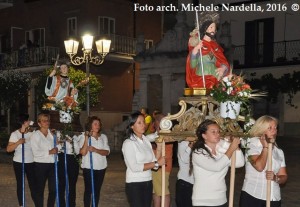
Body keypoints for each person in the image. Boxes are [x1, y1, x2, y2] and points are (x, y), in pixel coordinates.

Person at [190, 119, 244, 207]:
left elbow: (239, 163)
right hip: (203, 200)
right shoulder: (198, 152)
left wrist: (234, 146)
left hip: (221, 198)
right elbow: (216, 167)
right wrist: (231, 148)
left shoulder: (221, 149)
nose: (218, 134)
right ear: (204, 135)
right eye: (213, 132)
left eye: (218, 131)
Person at [239, 115, 288, 207]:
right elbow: (259, 166)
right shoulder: (251, 145)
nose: (274, 131)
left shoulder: (279, 151)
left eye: (275, 128)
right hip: (253, 196)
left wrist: (276, 178)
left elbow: (284, 176)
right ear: (261, 130)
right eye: (270, 128)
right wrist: (265, 147)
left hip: (274, 197)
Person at [122, 111, 165, 207]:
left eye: (143, 122)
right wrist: (157, 163)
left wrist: (158, 149)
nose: (143, 125)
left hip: (148, 182)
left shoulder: (145, 140)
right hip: (135, 184)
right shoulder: (128, 143)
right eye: (139, 123)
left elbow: (154, 166)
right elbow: (135, 167)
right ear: (132, 126)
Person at [186, 15, 230, 89]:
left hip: (215, 76)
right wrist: (196, 50)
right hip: (201, 77)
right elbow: (193, 65)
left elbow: (222, 61)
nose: (213, 30)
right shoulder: (199, 44)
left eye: (214, 28)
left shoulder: (215, 46)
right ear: (205, 29)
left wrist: (223, 68)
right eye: (211, 27)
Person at [30, 113, 61, 207]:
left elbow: (58, 147)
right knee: (40, 190)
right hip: (40, 165)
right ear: (39, 123)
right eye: (44, 120)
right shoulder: (35, 135)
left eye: (48, 120)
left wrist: (57, 147)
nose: (47, 122)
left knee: (54, 189)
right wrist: (49, 152)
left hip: (53, 164)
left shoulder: (53, 133)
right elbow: (36, 153)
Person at [79, 116, 110, 207]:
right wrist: (86, 138)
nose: (97, 126)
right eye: (95, 124)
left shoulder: (103, 137)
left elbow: (107, 152)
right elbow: (83, 153)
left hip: (101, 167)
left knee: (97, 190)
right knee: (89, 190)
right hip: (89, 168)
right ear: (90, 126)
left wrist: (95, 150)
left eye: (99, 124)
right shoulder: (83, 136)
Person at [6, 114, 36, 206]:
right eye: (27, 120)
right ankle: (21, 204)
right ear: (24, 122)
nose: (29, 121)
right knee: (21, 184)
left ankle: (37, 203)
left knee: (33, 184)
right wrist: (18, 142)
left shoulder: (32, 133)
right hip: (19, 162)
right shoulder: (15, 134)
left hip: (31, 162)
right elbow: (8, 149)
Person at [151, 113, 173, 207]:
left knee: (163, 192)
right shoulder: (157, 134)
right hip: (157, 166)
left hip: (162, 167)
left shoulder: (166, 135)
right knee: (156, 192)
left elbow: (161, 152)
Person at [57, 131, 83, 207]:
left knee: (72, 184)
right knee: (61, 183)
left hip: (73, 159)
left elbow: (78, 151)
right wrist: (60, 142)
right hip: (62, 157)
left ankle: (71, 204)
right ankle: (62, 204)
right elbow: (56, 147)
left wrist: (71, 142)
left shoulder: (75, 136)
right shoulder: (58, 134)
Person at [175, 140, 194, 207]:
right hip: (184, 183)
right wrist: (190, 146)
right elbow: (185, 159)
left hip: (197, 184)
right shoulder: (182, 143)